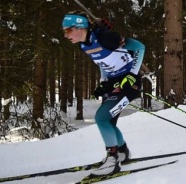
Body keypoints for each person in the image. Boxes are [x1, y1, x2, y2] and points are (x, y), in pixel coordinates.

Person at [62, 11, 145, 177]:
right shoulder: (84, 44)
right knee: (109, 122)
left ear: (80, 27)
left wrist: (132, 75)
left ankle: (112, 159)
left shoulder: (105, 37)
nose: (66, 35)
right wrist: (104, 82)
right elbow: (103, 61)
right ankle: (122, 153)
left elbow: (139, 47)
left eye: (68, 30)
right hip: (114, 83)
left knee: (101, 118)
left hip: (129, 83)